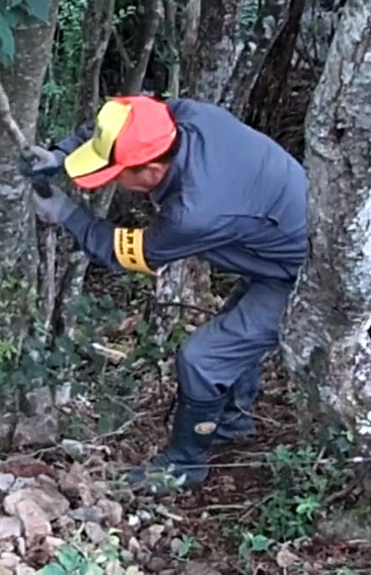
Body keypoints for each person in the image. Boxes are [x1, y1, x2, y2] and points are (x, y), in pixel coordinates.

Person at [21, 94, 308, 495]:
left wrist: (68, 215)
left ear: (153, 171)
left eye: (117, 174)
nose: (113, 181)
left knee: (202, 359)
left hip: (301, 275)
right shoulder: (188, 117)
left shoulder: (195, 211)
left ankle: (185, 465)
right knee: (233, 334)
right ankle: (232, 423)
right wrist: (62, 155)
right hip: (277, 235)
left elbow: (131, 253)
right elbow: (123, 122)